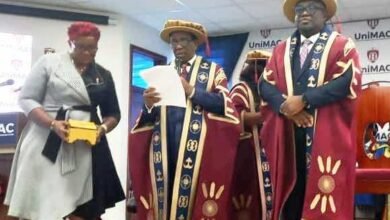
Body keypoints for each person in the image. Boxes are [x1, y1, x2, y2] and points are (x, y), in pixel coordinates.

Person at [4, 21, 125, 220]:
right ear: (70, 43)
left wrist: (102, 129)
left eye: (92, 48)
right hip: (46, 140)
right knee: (41, 203)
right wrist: (52, 124)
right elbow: (26, 98)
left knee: (85, 208)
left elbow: (113, 113)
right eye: (81, 47)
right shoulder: (49, 63)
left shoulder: (103, 75)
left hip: (86, 146)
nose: (87, 52)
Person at [258, 0, 362, 219]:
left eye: (312, 8)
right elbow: (265, 85)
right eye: (299, 9)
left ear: (325, 15)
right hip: (288, 133)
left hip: (326, 134)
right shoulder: (280, 50)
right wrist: (287, 107)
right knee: (292, 194)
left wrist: (304, 100)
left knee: (324, 193)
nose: (304, 12)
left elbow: (346, 81)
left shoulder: (342, 45)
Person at [129, 19, 240, 219]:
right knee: (166, 197)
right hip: (164, 146)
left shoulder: (213, 70)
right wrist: (147, 104)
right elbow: (147, 118)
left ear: (195, 43)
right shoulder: (163, 72)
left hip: (197, 150)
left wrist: (191, 91)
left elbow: (225, 106)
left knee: (195, 201)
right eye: (173, 41)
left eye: (183, 40)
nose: (177, 45)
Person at [229, 50, 273, 220]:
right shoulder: (241, 89)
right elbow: (236, 117)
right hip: (245, 156)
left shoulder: (266, 93)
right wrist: (268, 114)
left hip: (265, 154)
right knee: (247, 198)